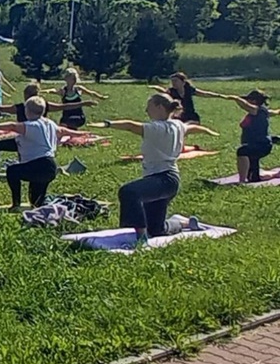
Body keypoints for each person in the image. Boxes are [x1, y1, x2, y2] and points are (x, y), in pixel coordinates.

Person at [90, 94, 218, 245]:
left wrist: (107, 124)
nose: (146, 110)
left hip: (162, 179)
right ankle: (183, 222)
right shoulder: (177, 124)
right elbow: (191, 128)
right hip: (170, 181)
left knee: (129, 192)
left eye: (149, 106)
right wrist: (207, 131)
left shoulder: (156, 128)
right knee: (157, 229)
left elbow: (130, 126)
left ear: (160, 107)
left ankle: (141, 236)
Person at [0, 84, 99, 178]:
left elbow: (0, 109)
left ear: (25, 95)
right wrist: (84, 103)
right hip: (37, 141)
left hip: (24, 140)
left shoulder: (21, 107)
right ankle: (52, 169)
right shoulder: (43, 105)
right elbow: (66, 107)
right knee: (30, 158)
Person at [0, 97, 85, 211]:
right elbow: (62, 131)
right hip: (50, 167)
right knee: (36, 204)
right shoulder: (50, 123)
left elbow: (12, 126)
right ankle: (37, 204)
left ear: (27, 111)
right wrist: (80, 133)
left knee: (12, 171)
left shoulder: (32, 125)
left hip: (39, 165)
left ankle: (16, 204)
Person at [213, 90, 273, 183]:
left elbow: (245, 106)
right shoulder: (257, 112)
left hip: (261, 145)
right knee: (253, 178)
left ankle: (241, 181)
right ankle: (273, 175)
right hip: (255, 144)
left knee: (242, 151)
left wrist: (236, 98)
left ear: (254, 101)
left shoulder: (259, 110)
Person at [148, 72, 218, 124]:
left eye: (175, 81)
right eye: (172, 81)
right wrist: (156, 87)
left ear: (183, 82)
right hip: (179, 116)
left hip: (190, 115)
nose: (173, 83)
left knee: (194, 122)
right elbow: (163, 92)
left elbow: (205, 94)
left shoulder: (189, 89)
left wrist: (221, 96)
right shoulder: (172, 91)